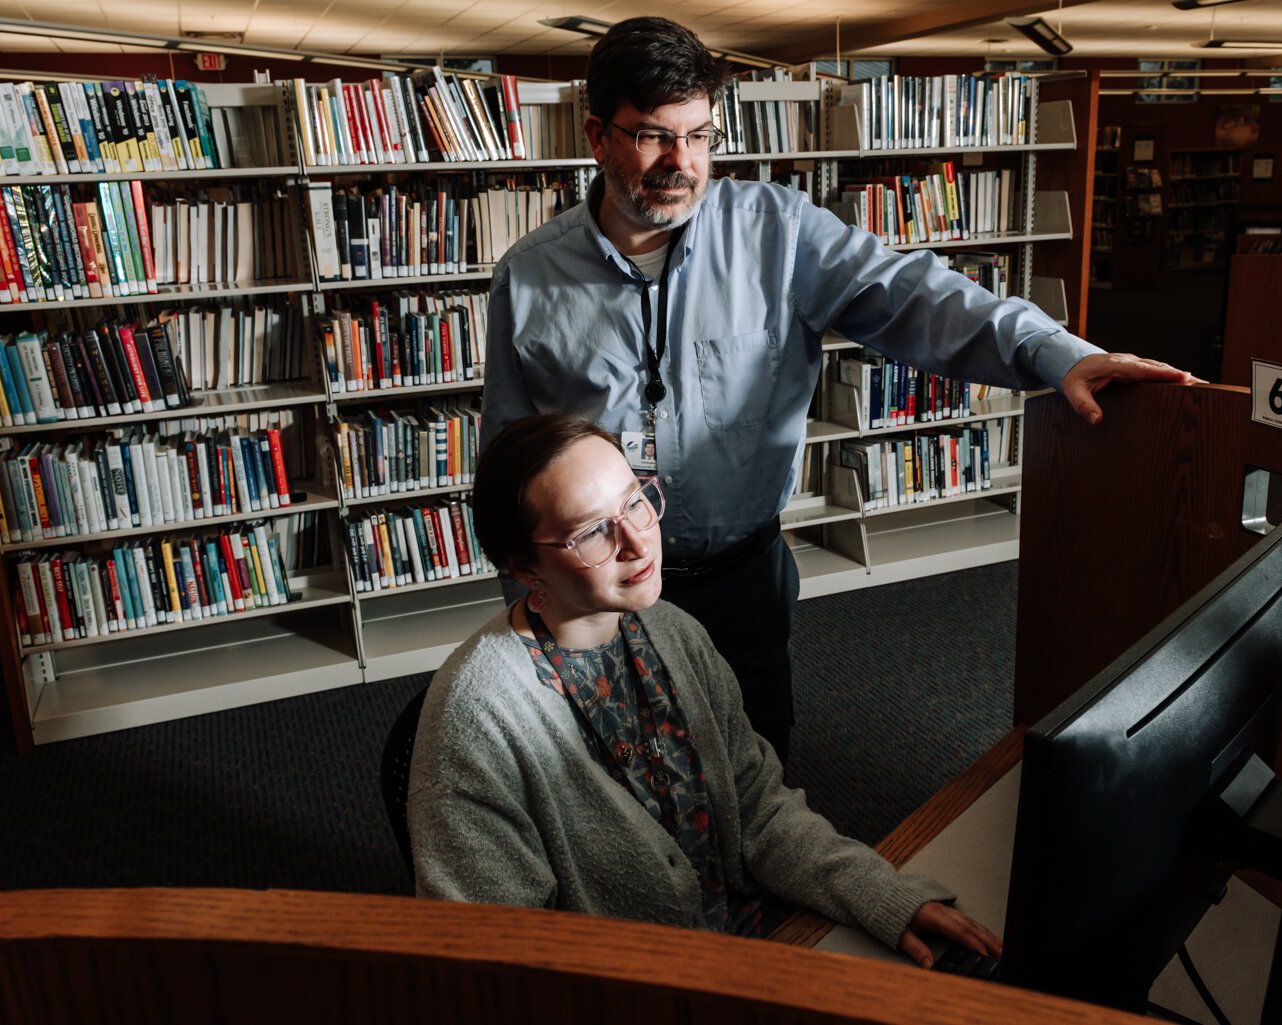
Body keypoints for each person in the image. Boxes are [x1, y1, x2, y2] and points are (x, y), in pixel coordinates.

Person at [480, 16, 1202, 763]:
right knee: (607, 781)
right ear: (598, 136)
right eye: (655, 135)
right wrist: (526, 613)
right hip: (593, 592)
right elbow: (509, 460)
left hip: (740, 580)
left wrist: (1052, 351)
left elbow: (914, 294)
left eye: (700, 136)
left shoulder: (778, 233)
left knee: (756, 768)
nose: (682, 162)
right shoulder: (530, 275)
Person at [409, 412, 1000, 967]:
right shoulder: (476, 715)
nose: (639, 545)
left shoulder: (672, 630)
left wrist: (877, 893)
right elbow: (499, 955)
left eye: (637, 503)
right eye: (593, 534)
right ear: (523, 564)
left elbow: (757, 812)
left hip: (746, 943)